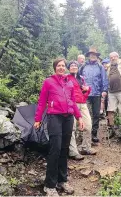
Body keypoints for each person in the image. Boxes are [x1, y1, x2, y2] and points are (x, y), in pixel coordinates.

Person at [34, 58, 84, 196]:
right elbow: (42, 101)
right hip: (54, 117)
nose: (61, 68)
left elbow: (73, 102)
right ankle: (49, 185)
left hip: (68, 117)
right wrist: (37, 119)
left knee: (64, 149)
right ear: (55, 68)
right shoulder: (48, 82)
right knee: (55, 148)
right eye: (59, 66)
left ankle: (62, 180)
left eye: (63, 66)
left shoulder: (69, 82)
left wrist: (79, 117)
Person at [67, 61, 97, 160]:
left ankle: (85, 147)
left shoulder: (81, 78)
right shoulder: (66, 78)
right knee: (72, 128)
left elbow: (84, 93)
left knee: (88, 125)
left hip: (82, 103)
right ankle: (73, 152)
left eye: (75, 65)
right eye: (71, 65)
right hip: (72, 104)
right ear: (69, 68)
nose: (74, 67)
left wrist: (87, 90)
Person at [79, 47, 108, 143]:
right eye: (91, 54)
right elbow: (78, 78)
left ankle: (94, 134)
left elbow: (104, 79)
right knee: (85, 114)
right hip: (85, 94)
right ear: (88, 56)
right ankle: (85, 133)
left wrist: (104, 90)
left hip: (96, 93)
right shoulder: (83, 66)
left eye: (94, 55)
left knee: (96, 114)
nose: (93, 56)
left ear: (96, 56)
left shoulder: (100, 67)